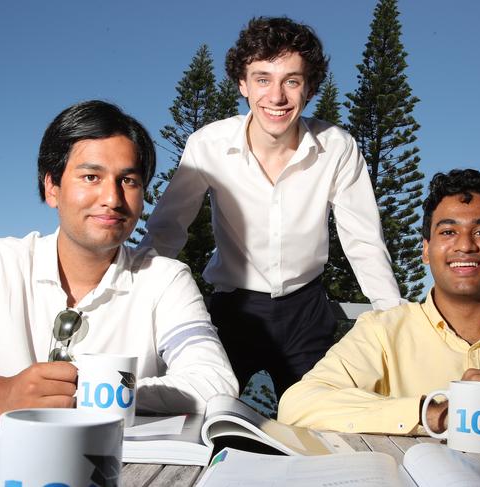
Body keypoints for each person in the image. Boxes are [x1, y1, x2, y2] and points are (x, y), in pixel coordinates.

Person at [141, 17, 403, 399]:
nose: (276, 97)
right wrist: (130, 295)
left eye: (291, 81)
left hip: (307, 313)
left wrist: (393, 318)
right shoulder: (207, 145)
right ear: (243, 84)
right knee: (207, 419)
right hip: (233, 312)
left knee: (316, 431)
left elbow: (362, 240)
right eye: (263, 79)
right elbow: (167, 229)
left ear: (310, 87)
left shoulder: (340, 147)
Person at [0, 100, 238, 424]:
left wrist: (95, 393)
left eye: (128, 181)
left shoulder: (165, 281)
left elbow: (215, 383)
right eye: (91, 177)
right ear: (52, 188)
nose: (112, 199)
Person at [278, 168, 480, 445]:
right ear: (426, 250)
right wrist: (436, 414)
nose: (465, 244)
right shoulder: (381, 332)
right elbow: (299, 403)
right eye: (448, 231)